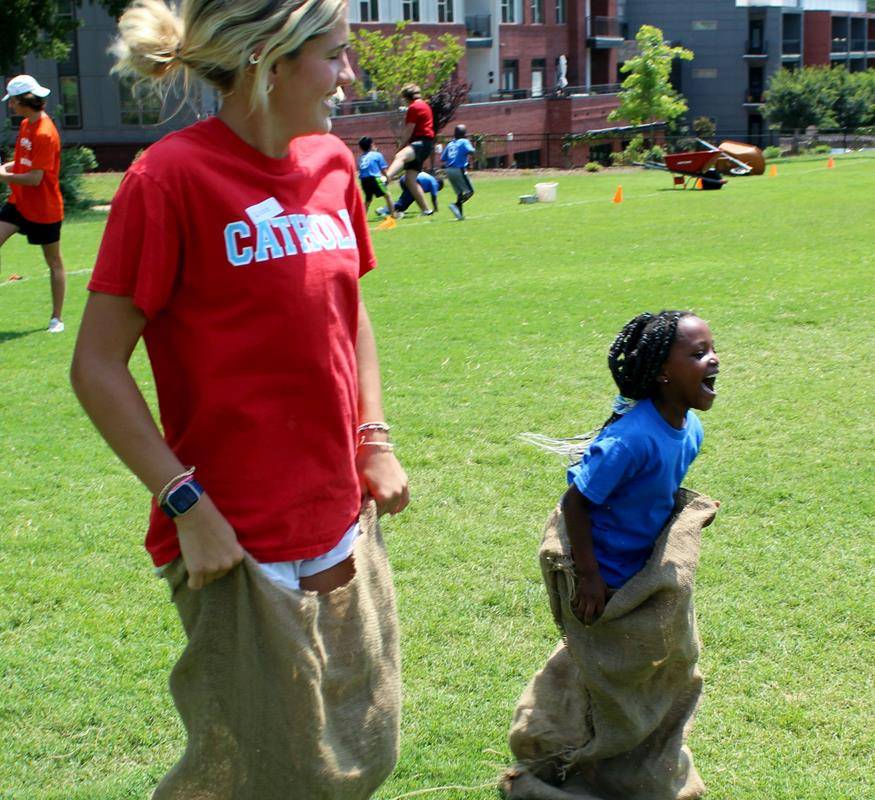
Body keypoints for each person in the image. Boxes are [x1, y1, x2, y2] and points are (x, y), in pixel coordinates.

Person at [70, 0, 409, 795]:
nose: (348, 76)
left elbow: (349, 314)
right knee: (268, 769)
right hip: (232, 544)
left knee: (357, 750)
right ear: (269, 62)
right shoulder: (169, 178)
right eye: (334, 56)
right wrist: (188, 504)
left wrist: (374, 438)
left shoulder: (331, 165)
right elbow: (95, 367)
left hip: (336, 518)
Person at [561, 310, 719, 622]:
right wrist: (589, 576)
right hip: (608, 573)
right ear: (663, 372)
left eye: (714, 350)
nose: (713, 360)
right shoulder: (629, 441)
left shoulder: (693, 429)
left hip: (645, 565)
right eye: (699, 354)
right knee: (609, 661)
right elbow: (574, 503)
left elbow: (654, 487)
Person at [0, 75, 66, 333]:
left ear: (23, 100)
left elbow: (36, 178)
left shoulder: (45, 133)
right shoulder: (27, 125)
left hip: (44, 209)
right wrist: (4, 168)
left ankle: (56, 319)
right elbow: (22, 163)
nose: (10, 106)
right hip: (19, 203)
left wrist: (2, 176)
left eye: (12, 101)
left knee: (54, 262)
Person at [385, 83, 434, 216]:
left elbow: (408, 130)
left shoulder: (414, 107)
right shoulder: (425, 105)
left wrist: (400, 147)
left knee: (400, 156)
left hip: (420, 142)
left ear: (406, 97)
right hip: (427, 144)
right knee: (410, 180)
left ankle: (385, 179)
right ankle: (426, 210)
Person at [440, 124, 476, 220]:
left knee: (459, 193)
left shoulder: (450, 144)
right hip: (458, 169)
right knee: (470, 191)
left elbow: (442, 158)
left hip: (448, 170)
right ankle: (456, 205)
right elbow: (470, 151)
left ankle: (459, 215)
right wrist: (474, 151)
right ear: (464, 134)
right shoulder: (464, 141)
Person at [357, 135, 393, 217]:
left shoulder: (360, 158)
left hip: (364, 180)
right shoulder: (377, 155)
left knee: (368, 200)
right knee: (387, 195)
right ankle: (394, 215)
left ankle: (361, 218)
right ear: (372, 145)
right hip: (375, 178)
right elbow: (383, 170)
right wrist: (388, 178)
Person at [378, 171, 442, 216]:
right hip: (410, 181)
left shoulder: (430, 178)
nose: (437, 190)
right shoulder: (434, 183)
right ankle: (383, 210)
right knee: (403, 204)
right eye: (438, 189)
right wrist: (435, 209)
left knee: (406, 200)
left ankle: (391, 208)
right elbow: (434, 197)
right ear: (439, 184)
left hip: (404, 178)